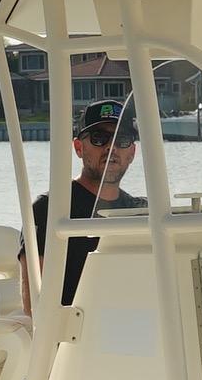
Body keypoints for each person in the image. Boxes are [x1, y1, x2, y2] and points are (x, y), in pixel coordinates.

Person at [34, 101, 140, 305]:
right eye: (99, 138)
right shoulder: (49, 209)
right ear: (79, 147)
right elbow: (35, 304)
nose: (111, 147)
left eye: (122, 139)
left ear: (132, 153)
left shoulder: (139, 211)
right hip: (75, 334)